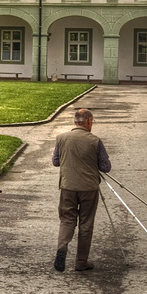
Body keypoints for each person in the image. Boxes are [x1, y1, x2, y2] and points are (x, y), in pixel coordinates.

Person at [51, 107, 111, 273]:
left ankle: (62, 247)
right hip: (88, 188)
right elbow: (106, 167)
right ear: (89, 121)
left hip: (67, 186)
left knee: (67, 220)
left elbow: (55, 162)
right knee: (86, 224)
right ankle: (81, 262)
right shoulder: (95, 141)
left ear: (75, 122)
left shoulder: (61, 138)